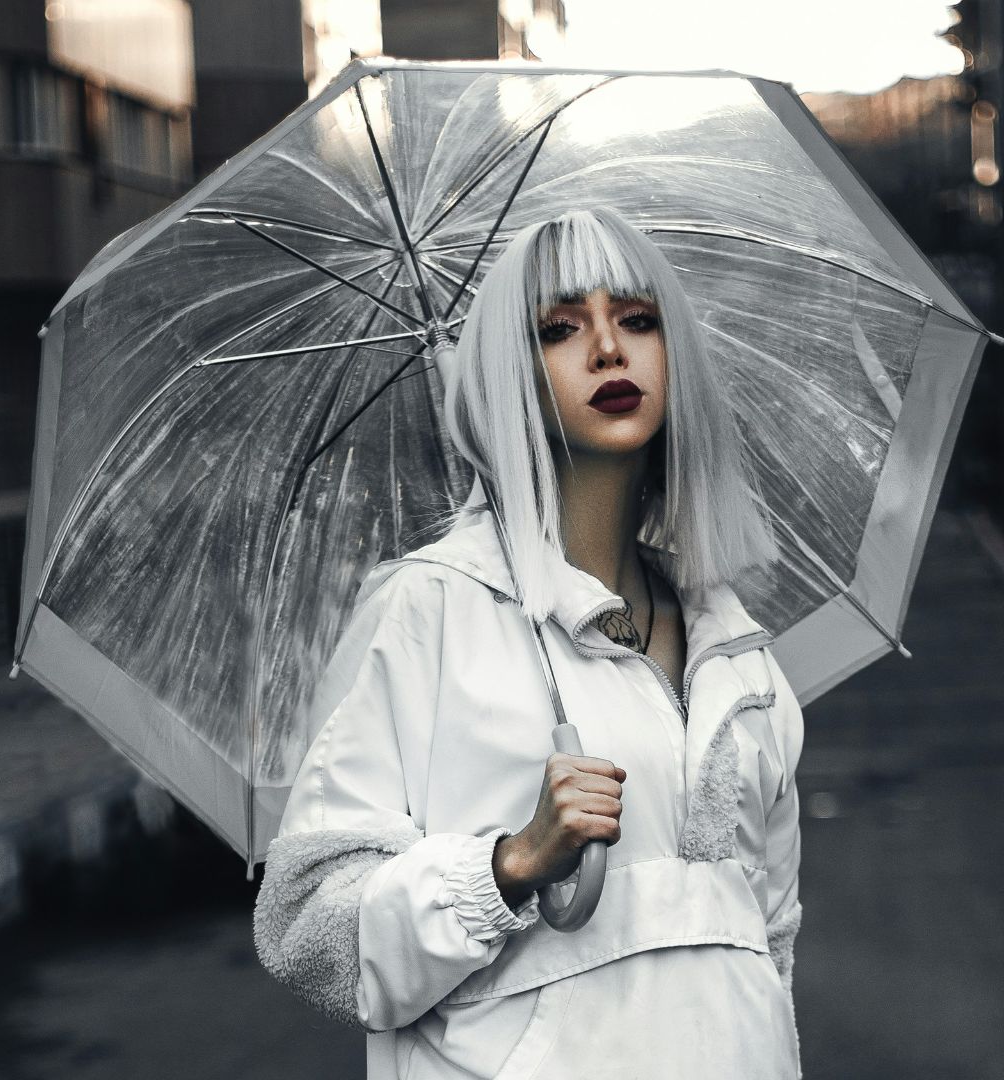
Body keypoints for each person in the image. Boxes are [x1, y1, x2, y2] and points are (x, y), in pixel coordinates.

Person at [253, 207, 806, 1079]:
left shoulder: (737, 654)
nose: (609, 350)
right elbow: (309, 927)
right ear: (512, 375)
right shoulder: (430, 611)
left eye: (636, 318)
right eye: (559, 329)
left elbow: (768, 943)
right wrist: (509, 868)